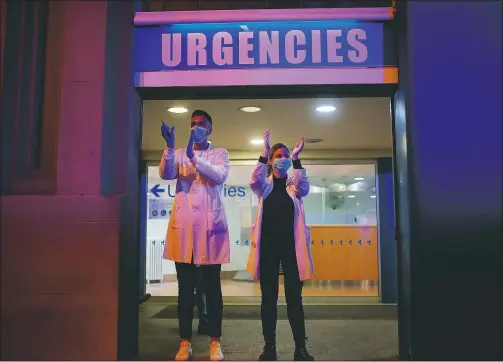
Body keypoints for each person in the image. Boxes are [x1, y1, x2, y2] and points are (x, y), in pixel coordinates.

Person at [160, 110, 230, 361]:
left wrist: (195, 158)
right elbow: (167, 174)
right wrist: (170, 147)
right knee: (185, 290)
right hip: (185, 231)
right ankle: (184, 342)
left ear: (209, 129)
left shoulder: (220, 153)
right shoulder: (178, 153)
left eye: (201, 124)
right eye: (193, 124)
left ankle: (215, 341)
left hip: (210, 231)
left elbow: (220, 175)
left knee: (213, 290)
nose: (196, 128)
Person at [246, 130, 315, 361]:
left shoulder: (294, 187)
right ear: (271, 160)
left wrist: (296, 158)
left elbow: (305, 188)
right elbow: (253, 180)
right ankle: (269, 347)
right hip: (267, 249)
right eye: (278, 155)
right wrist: (264, 153)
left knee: (295, 298)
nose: (282, 158)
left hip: (291, 250)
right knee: (269, 300)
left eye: (285, 155)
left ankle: (300, 348)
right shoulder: (263, 186)